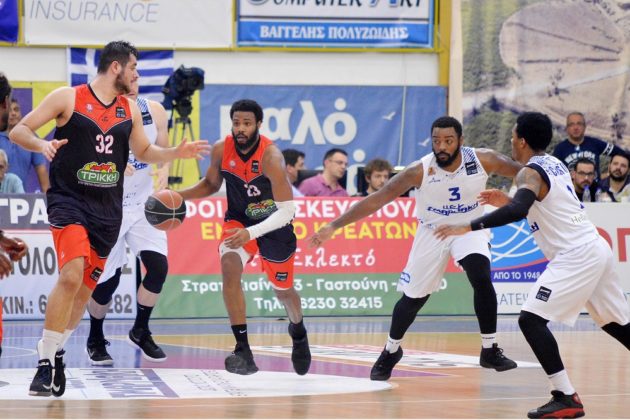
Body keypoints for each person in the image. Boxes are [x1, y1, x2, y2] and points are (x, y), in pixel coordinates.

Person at [9, 40, 209, 397]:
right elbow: (19, 130)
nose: (136, 74)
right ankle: (44, 362)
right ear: (116, 67)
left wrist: (175, 153)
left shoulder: (129, 109)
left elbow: (144, 150)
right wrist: (43, 145)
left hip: (108, 210)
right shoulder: (67, 97)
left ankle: (57, 350)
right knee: (71, 275)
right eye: (133, 67)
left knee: (85, 290)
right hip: (69, 202)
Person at [435, 112, 630, 419]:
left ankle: (565, 395)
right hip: (595, 248)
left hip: (576, 255)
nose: (512, 140)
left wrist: (469, 226)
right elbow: (540, 203)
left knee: (530, 320)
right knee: (615, 323)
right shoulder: (554, 163)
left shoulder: (530, 173)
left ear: (522, 141)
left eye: (513, 136)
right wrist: (507, 201)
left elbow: (520, 209)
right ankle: (565, 396)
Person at [309, 116, 521, 381]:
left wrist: (513, 200)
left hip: (468, 227)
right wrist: (334, 225)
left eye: (448, 141)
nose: (441, 146)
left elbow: (526, 174)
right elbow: (377, 199)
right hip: (432, 231)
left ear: (461, 141)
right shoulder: (419, 170)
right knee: (413, 299)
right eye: (436, 141)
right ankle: (391, 349)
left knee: (480, 274)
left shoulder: (483, 159)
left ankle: (489, 349)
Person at [178, 99, 311, 376]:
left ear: (258, 125)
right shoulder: (221, 149)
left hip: (274, 224)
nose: (240, 128)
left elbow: (288, 211)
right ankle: (243, 349)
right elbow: (211, 184)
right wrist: (177, 195)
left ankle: (298, 331)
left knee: (283, 291)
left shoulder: (271, 157)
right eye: (236, 122)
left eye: (247, 123)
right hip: (238, 219)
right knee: (229, 265)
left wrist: (251, 232)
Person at [86, 79, 171, 365]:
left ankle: (140, 330)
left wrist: (165, 171)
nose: (132, 84)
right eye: (127, 79)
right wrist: (113, 165)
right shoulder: (101, 113)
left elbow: (164, 151)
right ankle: (95, 336)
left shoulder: (155, 110)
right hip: (108, 207)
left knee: (158, 268)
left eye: (135, 77)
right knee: (106, 283)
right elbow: (87, 155)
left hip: (144, 205)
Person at [552, 111, 626, 180]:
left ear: (585, 127)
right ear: (567, 128)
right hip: (572, 188)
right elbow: (554, 176)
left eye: (579, 124)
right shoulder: (560, 149)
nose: (575, 128)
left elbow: (621, 153)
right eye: (571, 124)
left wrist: (608, 174)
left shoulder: (594, 143)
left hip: (595, 188)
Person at [0, 98, 50, 193]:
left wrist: (49, 198)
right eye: (9, 110)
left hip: (21, 198)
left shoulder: (31, 138)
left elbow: (42, 172)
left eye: (16, 110)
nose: (13, 113)